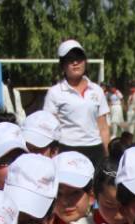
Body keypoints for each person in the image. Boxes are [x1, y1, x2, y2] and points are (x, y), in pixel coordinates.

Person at [43, 40, 111, 168]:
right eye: (70, 59)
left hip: (95, 150)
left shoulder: (97, 90)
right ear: (63, 65)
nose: (75, 63)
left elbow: (103, 127)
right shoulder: (55, 92)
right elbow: (49, 128)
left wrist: (107, 156)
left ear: (85, 61)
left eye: (79, 58)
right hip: (67, 149)